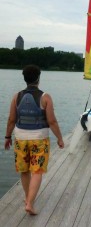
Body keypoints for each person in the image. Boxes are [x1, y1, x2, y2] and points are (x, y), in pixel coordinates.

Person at [4, 64, 64, 215]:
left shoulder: (16, 96)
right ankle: (30, 203)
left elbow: (11, 119)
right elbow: (52, 121)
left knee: (24, 171)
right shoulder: (45, 97)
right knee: (37, 171)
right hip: (39, 140)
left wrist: (7, 137)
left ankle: (27, 198)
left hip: (20, 139)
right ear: (38, 78)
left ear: (25, 79)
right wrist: (60, 138)